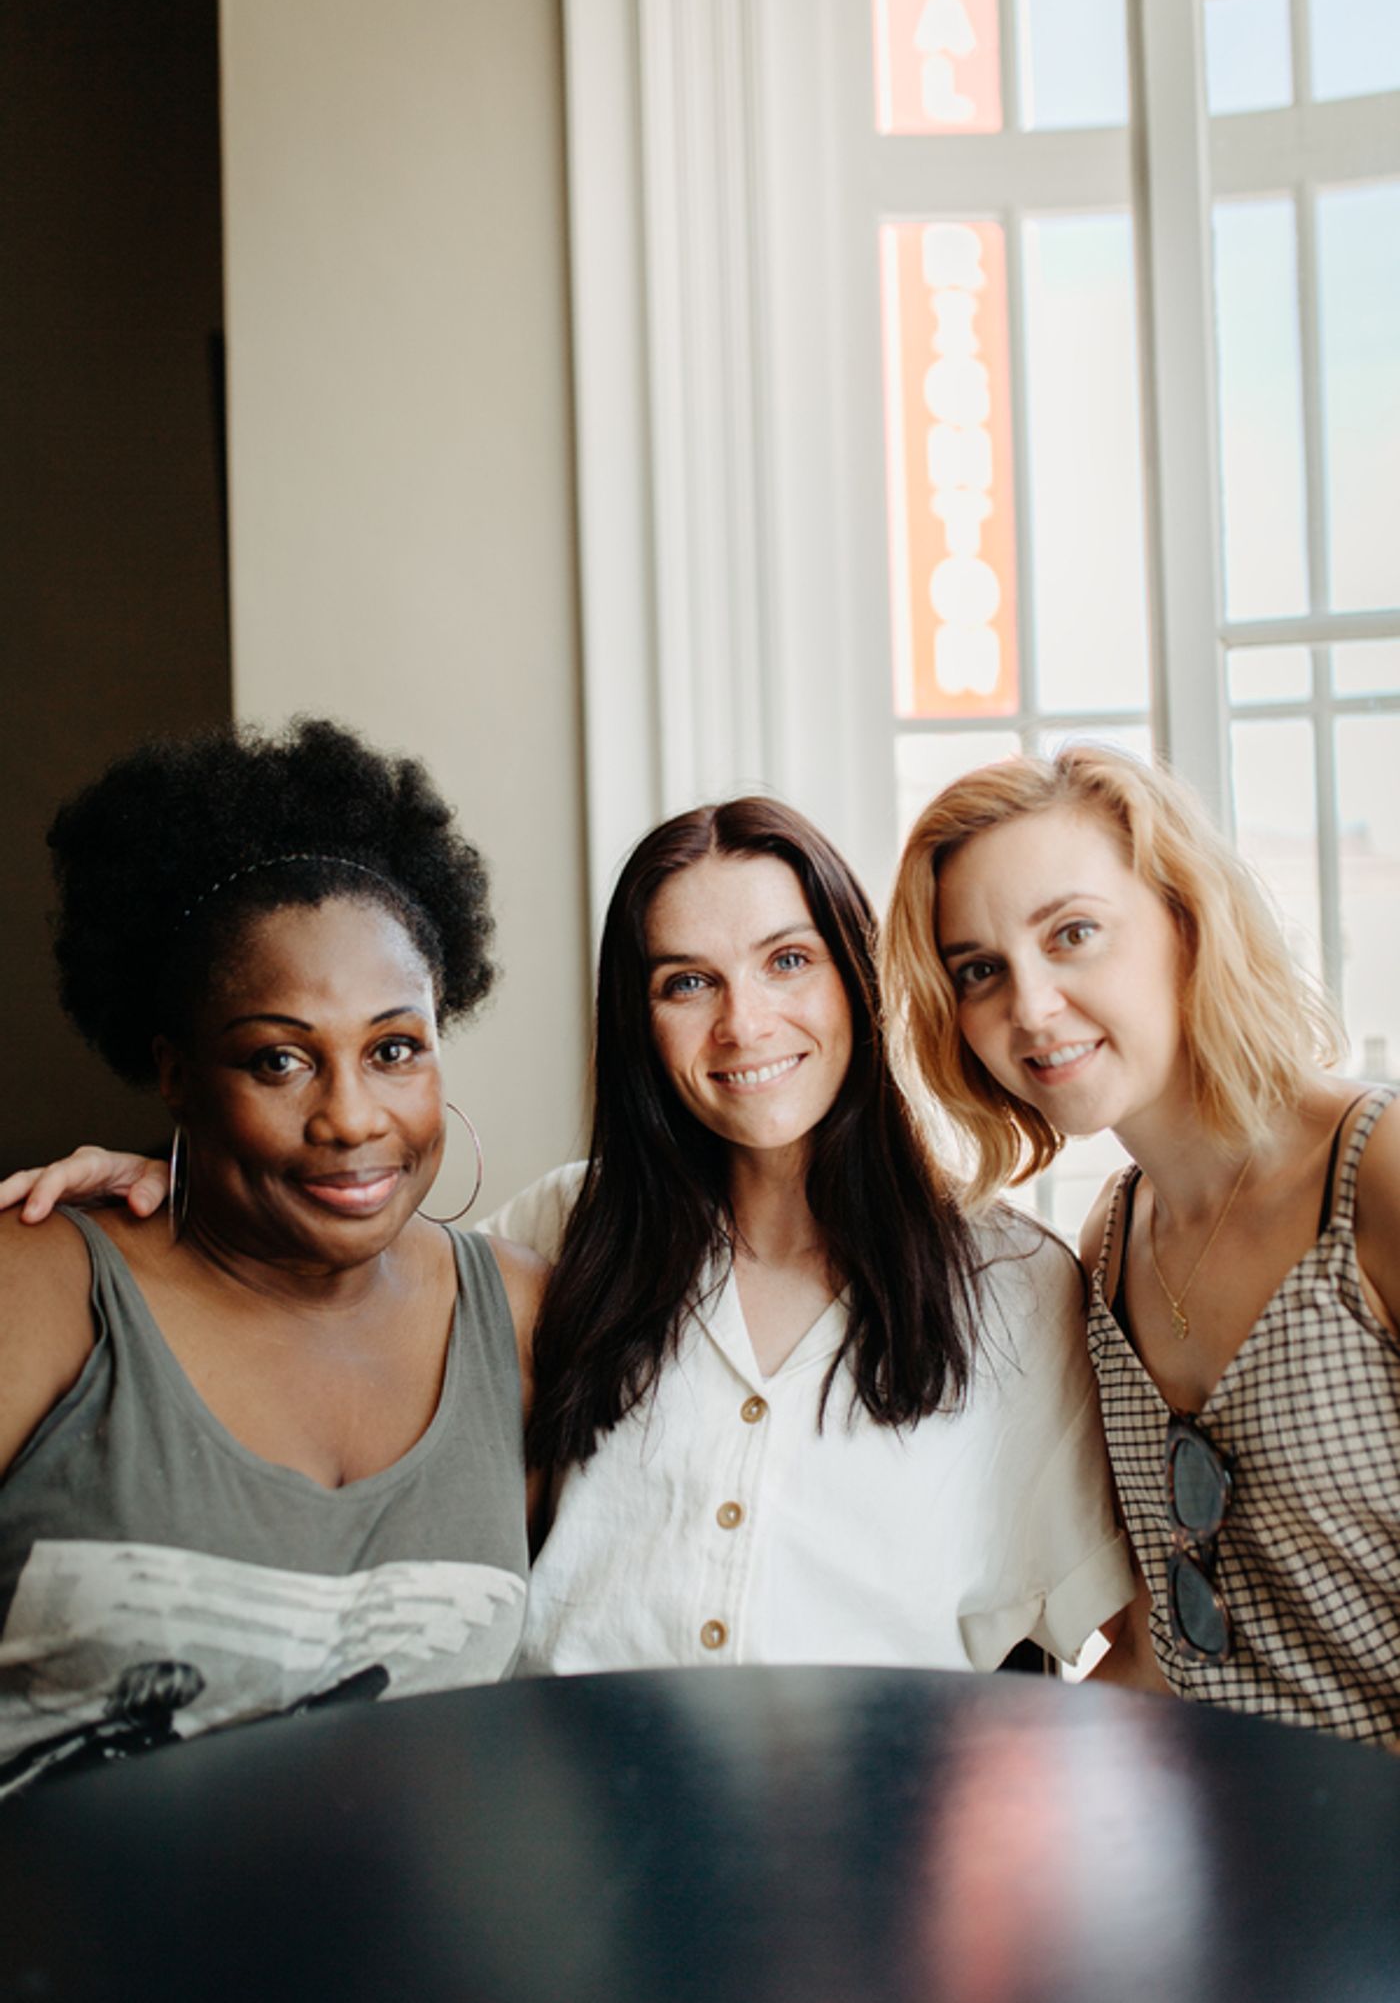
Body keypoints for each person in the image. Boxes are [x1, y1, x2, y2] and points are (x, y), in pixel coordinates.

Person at [7, 799, 1134, 1681]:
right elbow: (335, 1262)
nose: (744, 1023)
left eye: (788, 961)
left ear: (858, 977)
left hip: (870, 1876)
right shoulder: (553, 1238)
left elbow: (1109, 1640)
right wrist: (190, 1185)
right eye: (685, 982)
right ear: (638, 1023)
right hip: (560, 1863)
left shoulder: (1016, 1289)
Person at [0, 719, 544, 1797]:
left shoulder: (527, 1317)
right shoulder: (44, 1287)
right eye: (278, 1060)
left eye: (394, 1050)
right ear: (176, 1073)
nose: (348, 1117)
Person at [883, 743, 1400, 1746]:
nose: (1027, 1009)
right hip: (1218, 1838)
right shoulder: (1107, 1249)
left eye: (1071, 934)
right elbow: (1162, 1648)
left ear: (1181, 922)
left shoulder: (1370, 1177)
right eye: (978, 970)